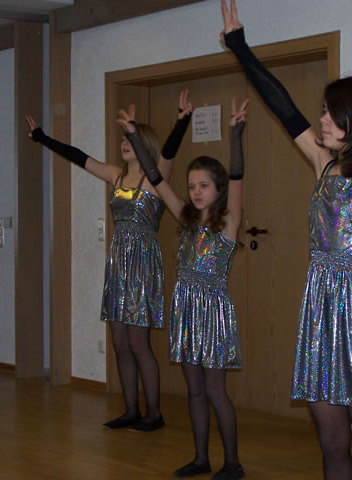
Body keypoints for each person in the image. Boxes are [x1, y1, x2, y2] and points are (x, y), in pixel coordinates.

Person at [220, 0, 352, 478]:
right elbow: (281, 104)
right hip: (319, 312)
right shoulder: (324, 163)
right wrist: (240, 47)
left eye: (331, 113)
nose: (322, 121)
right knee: (331, 445)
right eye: (323, 112)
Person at [25, 90, 194, 432]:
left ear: (142, 142)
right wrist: (43, 138)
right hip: (118, 263)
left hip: (143, 264)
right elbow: (79, 157)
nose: (123, 143)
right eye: (123, 139)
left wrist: (182, 121)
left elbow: (170, 151)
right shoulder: (116, 176)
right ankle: (131, 410)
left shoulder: (155, 178)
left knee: (137, 342)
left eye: (130, 139)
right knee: (119, 343)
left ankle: (154, 413)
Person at [118, 97, 249, 480]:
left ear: (217, 188)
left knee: (215, 390)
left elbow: (237, 176)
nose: (195, 191)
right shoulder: (185, 218)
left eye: (203, 185)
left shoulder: (229, 221)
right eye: (191, 186)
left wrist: (235, 135)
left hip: (213, 312)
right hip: (186, 310)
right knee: (194, 389)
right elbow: (155, 178)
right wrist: (133, 136)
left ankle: (233, 463)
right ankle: (200, 458)